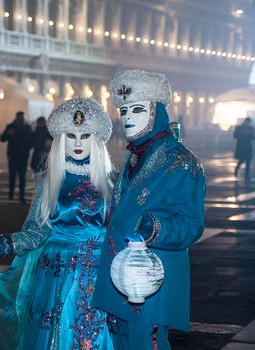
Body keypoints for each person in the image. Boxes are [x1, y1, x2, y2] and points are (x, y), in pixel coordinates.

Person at [0, 98, 115, 350]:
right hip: (54, 274)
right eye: (70, 135)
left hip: (96, 277)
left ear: (97, 139)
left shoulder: (111, 181)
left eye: (85, 135)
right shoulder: (49, 179)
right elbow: (36, 231)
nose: (77, 143)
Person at [92, 70, 206, 350]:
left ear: (157, 113)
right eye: (124, 110)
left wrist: (153, 227)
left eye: (138, 109)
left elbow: (191, 224)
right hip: (119, 273)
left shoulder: (181, 162)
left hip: (151, 277)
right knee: (121, 342)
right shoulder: (134, 155)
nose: (128, 117)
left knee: (146, 343)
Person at [0, 111, 33, 203]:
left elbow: (31, 142)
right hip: (13, 155)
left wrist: (28, 146)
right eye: (19, 118)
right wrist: (8, 134)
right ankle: (11, 194)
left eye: (22, 118)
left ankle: (21, 196)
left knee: (22, 176)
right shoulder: (10, 127)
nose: (21, 119)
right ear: (16, 118)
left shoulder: (27, 128)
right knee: (12, 175)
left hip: (23, 155)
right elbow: (2, 139)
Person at [233, 117, 254, 182]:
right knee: (242, 160)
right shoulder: (238, 127)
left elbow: (253, 137)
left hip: (248, 146)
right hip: (241, 146)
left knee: (248, 161)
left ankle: (246, 176)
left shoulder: (251, 128)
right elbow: (235, 136)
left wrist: (249, 134)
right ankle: (237, 168)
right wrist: (242, 134)